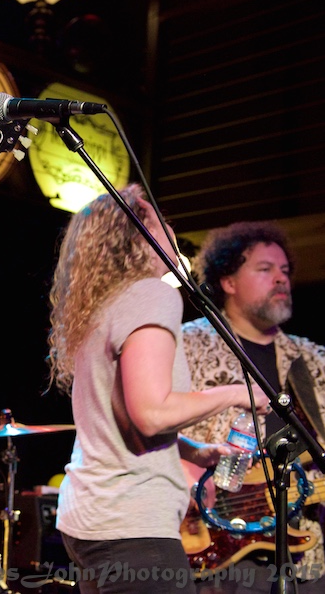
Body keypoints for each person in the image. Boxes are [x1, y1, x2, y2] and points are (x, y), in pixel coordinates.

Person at [46, 184, 269, 594]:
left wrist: (190, 450)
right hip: (132, 526)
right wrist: (238, 392)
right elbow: (150, 413)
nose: (170, 227)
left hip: (91, 521)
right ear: (136, 235)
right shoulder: (151, 295)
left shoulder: (103, 303)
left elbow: (124, 414)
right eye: (159, 218)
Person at [181, 221, 325, 592]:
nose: (281, 279)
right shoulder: (187, 344)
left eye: (285, 271)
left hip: (305, 553)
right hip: (213, 540)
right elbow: (152, 424)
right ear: (228, 282)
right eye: (265, 269)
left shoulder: (312, 358)